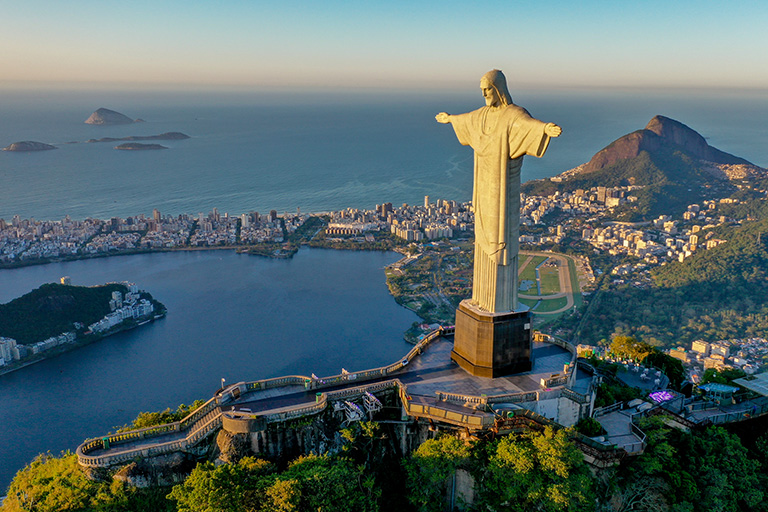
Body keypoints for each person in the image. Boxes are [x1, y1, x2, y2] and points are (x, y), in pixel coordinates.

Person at [436, 69, 561, 313]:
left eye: (488, 89)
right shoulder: (481, 115)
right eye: (482, 90)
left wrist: (545, 129)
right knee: (483, 234)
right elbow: (467, 120)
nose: (484, 94)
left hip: (503, 186)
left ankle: (501, 305)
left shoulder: (513, 114)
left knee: (500, 234)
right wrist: (450, 118)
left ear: (499, 89)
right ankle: (482, 299)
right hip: (484, 184)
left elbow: (527, 125)